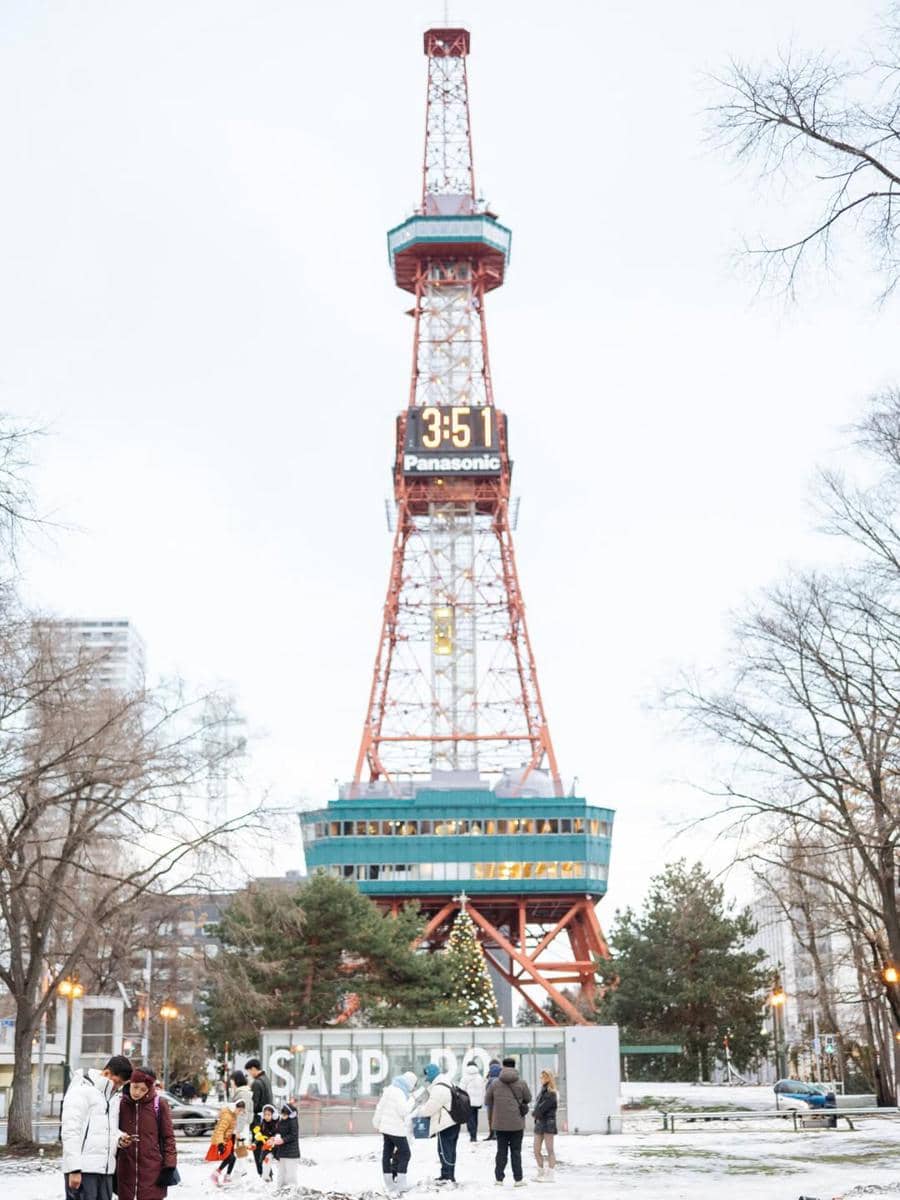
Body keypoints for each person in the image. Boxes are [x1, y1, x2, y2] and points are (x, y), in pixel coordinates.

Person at [61, 1053, 133, 1200]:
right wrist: (74, 1169)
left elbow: (107, 1129)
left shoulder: (111, 1097)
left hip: (105, 1170)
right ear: (107, 1073)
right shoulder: (80, 1090)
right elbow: (70, 1131)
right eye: (117, 1082)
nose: (117, 1087)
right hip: (83, 1170)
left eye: (121, 1085)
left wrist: (119, 1138)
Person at [115, 1068, 178, 1200]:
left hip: (153, 1170)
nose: (137, 1092)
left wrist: (170, 1166)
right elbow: (112, 1132)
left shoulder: (159, 1104)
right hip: (126, 1170)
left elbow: (168, 1137)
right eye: (135, 1087)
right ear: (130, 1083)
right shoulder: (120, 1103)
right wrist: (120, 1140)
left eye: (143, 1089)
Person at [485, 1057, 532, 1188]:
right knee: (516, 1152)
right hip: (517, 1124)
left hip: (500, 1124)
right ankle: (518, 1179)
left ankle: (499, 1179)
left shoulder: (494, 1083)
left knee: (501, 1151)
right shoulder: (521, 1083)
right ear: (514, 1066)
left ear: (503, 1066)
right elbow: (528, 1098)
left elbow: (487, 1100)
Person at [415, 1063, 460, 1184]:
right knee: (450, 1150)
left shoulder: (439, 1088)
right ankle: (449, 1174)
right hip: (453, 1122)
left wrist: (420, 1111)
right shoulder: (448, 1082)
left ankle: (447, 1175)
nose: (426, 1078)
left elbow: (430, 1108)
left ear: (431, 1074)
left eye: (427, 1075)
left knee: (444, 1151)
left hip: (445, 1124)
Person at [373, 1070, 417, 1194]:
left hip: (386, 1128)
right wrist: (412, 1100)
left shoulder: (390, 1089)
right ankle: (401, 1184)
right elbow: (404, 1111)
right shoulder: (400, 1093)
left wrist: (377, 1123)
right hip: (395, 1129)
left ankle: (389, 1184)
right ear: (410, 1083)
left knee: (387, 1154)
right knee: (406, 1153)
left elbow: (380, 1107)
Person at [245, 1057, 274, 1177]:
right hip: (267, 1120)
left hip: (258, 1121)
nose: (249, 1074)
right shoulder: (266, 1079)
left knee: (257, 1148)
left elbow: (254, 1105)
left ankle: (263, 1174)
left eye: (249, 1071)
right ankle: (268, 1173)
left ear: (253, 1069)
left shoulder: (256, 1083)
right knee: (265, 1148)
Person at [206, 1098, 245, 1186]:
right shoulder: (227, 1116)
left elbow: (230, 1128)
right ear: (235, 1107)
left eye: (242, 1111)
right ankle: (215, 1175)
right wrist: (220, 1143)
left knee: (232, 1158)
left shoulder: (233, 1114)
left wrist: (237, 1135)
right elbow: (220, 1130)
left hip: (228, 1139)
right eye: (239, 1110)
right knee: (230, 1158)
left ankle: (227, 1177)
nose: (240, 1113)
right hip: (222, 1140)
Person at [532, 1070, 558, 1182]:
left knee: (550, 1150)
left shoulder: (551, 1093)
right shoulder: (542, 1091)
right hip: (540, 1123)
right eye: (541, 1076)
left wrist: (535, 1113)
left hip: (548, 1123)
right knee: (536, 1149)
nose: (541, 1078)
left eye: (543, 1077)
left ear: (548, 1078)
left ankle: (550, 1175)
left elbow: (540, 1109)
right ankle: (540, 1172)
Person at [272, 1100, 301, 1189]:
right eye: (282, 1114)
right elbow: (278, 1131)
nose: (283, 1116)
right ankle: (280, 1188)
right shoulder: (282, 1121)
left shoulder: (293, 1122)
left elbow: (294, 1135)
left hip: (291, 1153)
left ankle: (292, 1190)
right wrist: (275, 1136)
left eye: (285, 1115)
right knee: (281, 1172)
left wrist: (283, 1140)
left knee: (290, 1173)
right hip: (282, 1151)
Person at [252, 1103, 280, 1183]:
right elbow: (259, 1135)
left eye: (269, 1114)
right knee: (266, 1162)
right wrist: (255, 1143)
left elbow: (279, 1133)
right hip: (267, 1149)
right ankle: (266, 1178)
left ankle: (282, 1179)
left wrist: (274, 1138)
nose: (266, 1116)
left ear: (273, 1115)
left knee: (280, 1164)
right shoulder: (262, 1124)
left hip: (277, 1148)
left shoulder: (277, 1124)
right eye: (265, 1115)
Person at [461, 1060, 486, 1143]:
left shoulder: (465, 1077)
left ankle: (472, 1135)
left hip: (468, 1102)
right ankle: (474, 1134)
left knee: (470, 1118)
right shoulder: (479, 1077)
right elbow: (483, 1089)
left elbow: (461, 1090)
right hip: (477, 1102)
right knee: (475, 1117)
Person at [485, 1060, 501, 1141]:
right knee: (498, 1118)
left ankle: (492, 1134)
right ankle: (496, 1134)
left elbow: (487, 1090)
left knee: (490, 1118)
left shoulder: (490, 1077)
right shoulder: (501, 1076)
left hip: (490, 1102)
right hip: (499, 1101)